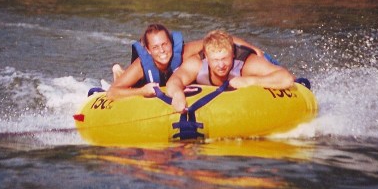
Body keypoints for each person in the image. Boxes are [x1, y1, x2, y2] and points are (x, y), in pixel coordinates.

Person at [106, 24, 263, 101]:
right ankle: (120, 72)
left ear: (171, 43)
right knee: (127, 83)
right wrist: (141, 92)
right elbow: (112, 92)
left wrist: (253, 48)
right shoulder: (141, 65)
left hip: (175, 84)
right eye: (155, 47)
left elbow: (222, 40)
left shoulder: (185, 52)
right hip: (146, 85)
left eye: (165, 44)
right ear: (148, 50)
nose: (162, 50)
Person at [166, 30, 295, 113]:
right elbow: (175, 80)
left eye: (224, 58)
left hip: (262, 63)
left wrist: (249, 81)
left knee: (293, 78)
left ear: (232, 54)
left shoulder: (247, 64)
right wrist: (177, 93)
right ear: (206, 56)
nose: (221, 65)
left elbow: (286, 78)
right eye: (215, 60)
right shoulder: (197, 63)